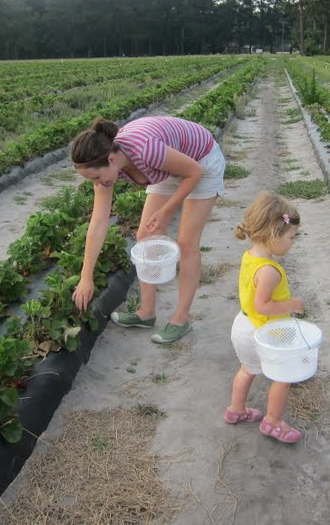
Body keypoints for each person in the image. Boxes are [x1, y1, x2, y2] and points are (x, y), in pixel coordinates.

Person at [70, 115, 226, 344]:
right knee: (145, 235)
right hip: (170, 164)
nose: (97, 183)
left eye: (96, 177)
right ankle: (146, 312)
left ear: (111, 159)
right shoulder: (106, 168)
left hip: (201, 161)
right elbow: (98, 223)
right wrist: (86, 277)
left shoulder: (145, 150)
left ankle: (181, 320)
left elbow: (194, 172)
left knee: (186, 244)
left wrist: (166, 211)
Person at [225, 191, 304, 443]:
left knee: (247, 369)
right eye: (291, 237)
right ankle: (272, 422)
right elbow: (263, 306)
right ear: (273, 235)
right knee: (283, 376)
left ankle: (236, 410)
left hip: (244, 324)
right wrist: (292, 304)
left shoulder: (250, 256)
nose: (293, 242)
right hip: (263, 330)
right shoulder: (269, 270)